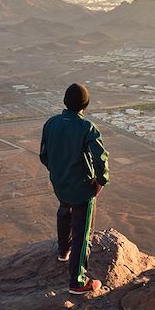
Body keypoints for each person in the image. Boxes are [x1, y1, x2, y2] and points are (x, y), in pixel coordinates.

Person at [40, 83, 109, 295]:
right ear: (85, 105)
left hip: (60, 183)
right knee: (82, 232)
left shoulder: (51, 123)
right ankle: (78, 281)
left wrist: (58, 172)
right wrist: (100, 180)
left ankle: (63, 251)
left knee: (64, 209)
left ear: (65, 102)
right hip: (82, 188)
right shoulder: (87, 128)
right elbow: (100, 157)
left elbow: (44, 154)